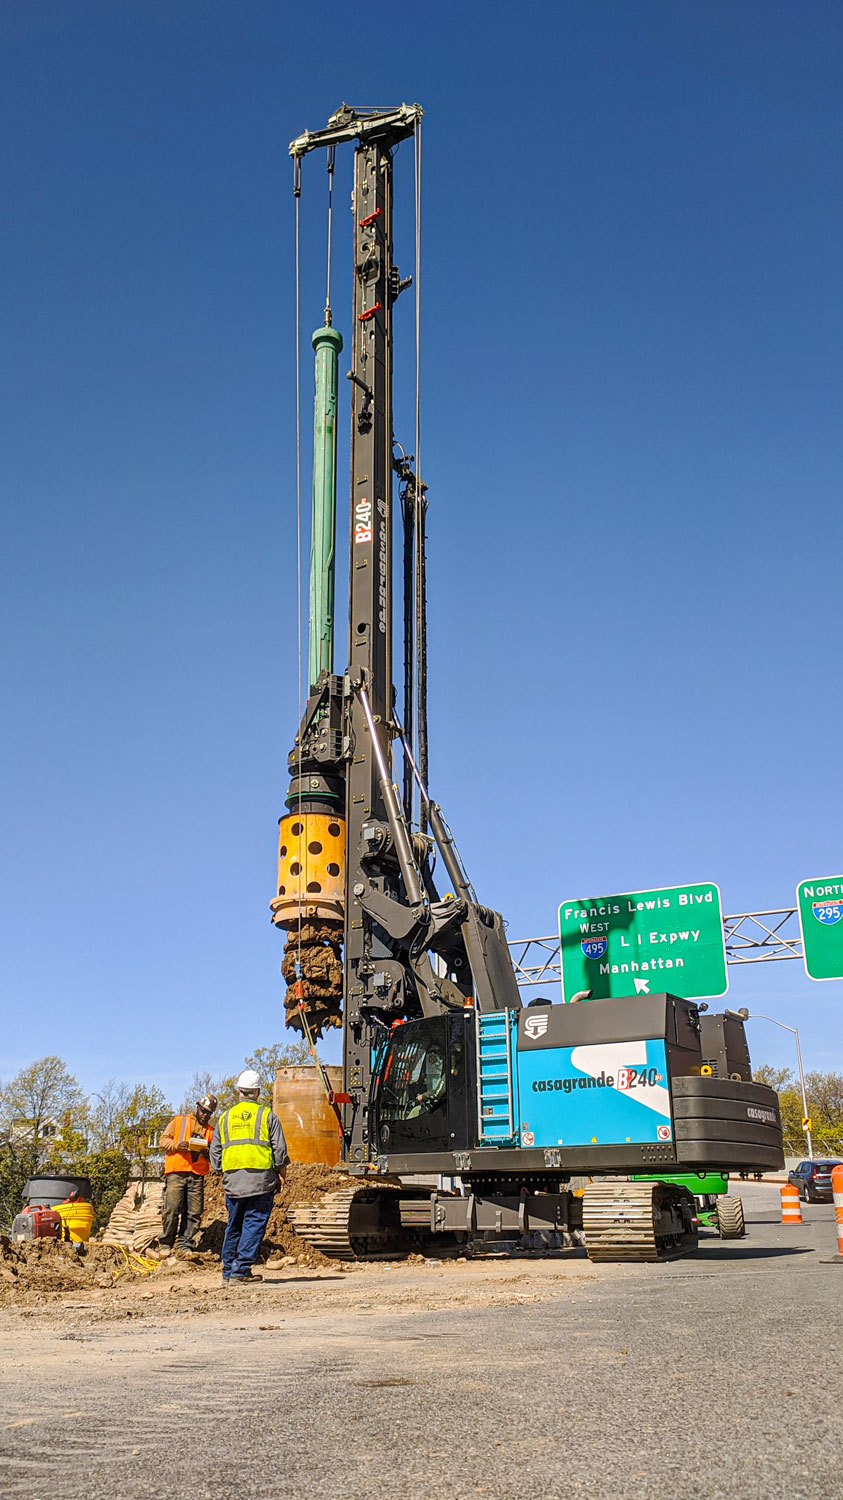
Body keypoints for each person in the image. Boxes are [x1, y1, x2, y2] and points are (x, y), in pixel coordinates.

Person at [210, 1069, 288, 1285]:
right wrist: (281, 1172)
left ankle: (228, 1271)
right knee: (253, 1224)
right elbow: (279, 1150)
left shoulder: (225, 1118)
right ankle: (241, 1270)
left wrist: (222, 1170)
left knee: (234, 1224)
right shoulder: (267, 1115)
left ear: (238, 1091)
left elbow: (215, 1152)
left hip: (233, 1181)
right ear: (258, 1092)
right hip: (261, 1180)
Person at [158, 1093, 218, 1255]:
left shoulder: (211, 1131)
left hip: (196, 1175)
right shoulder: (180, 1121)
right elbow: (163, 1140)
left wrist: (205, 1152)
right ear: (197, 1108)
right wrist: (177, 1145)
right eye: (203, 1111)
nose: (205, 1115)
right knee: (172, 1208)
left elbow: (214, 1155)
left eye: (208, 1113)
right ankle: (166, 1243)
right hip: (176, 1172)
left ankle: (185, 1244)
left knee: (194, 1212)